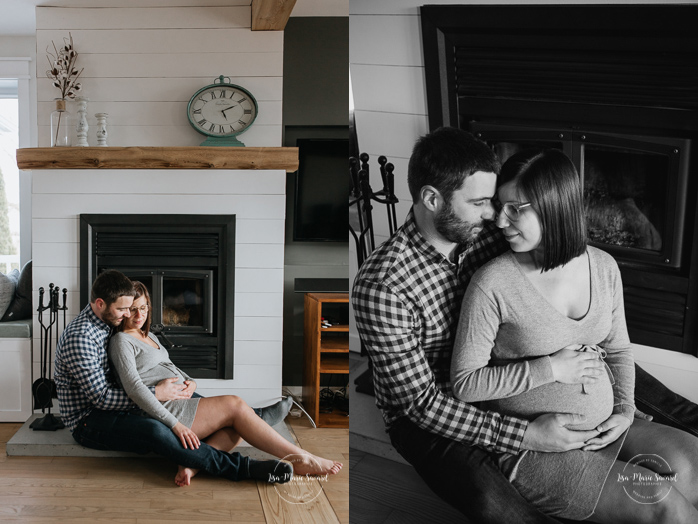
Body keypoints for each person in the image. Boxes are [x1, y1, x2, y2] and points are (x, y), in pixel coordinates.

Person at [352, 127, 600, 523]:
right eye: (481, 202)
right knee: (496, 504)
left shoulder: (487, 235)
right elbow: (422, 404)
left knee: (611, 362)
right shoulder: (382, 286)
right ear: (432, 199)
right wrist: (526, 435)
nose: (495, 215)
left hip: (498, 367)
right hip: (430, 410)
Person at [450, 148, 698, 522]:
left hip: (605, 428)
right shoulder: (493, 284)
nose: (499, 221)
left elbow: (617, 348)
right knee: (663, 503)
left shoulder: (603, 267)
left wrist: (625, 410)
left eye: (516, 209)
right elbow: (465, 384)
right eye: (500, 206)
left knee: (694, 465)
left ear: (555, 208)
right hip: (542, 448)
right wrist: (550, 368)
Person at [54, 269, 335, 485]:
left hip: (140, 400)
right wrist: (161, 399)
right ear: (101, 304)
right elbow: (104, 397)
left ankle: (199, 460)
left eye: (138, 307)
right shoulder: (86, 336)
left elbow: (159, 365)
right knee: (224, 411)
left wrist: (186, 383)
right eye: (124, 309)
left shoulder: (109, 322)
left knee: (233, 419)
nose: (130, 314)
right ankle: (286, 458)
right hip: (90, 418)